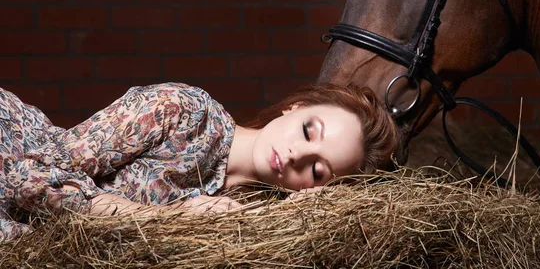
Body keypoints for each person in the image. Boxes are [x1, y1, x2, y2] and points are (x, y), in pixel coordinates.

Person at [0, 82, 397, 241]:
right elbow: (28, 178)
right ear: (295, 108)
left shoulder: (254, 221)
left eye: (317, 169)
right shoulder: (183, 111)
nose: (296, 154)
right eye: (309, 131)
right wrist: (166, 217)